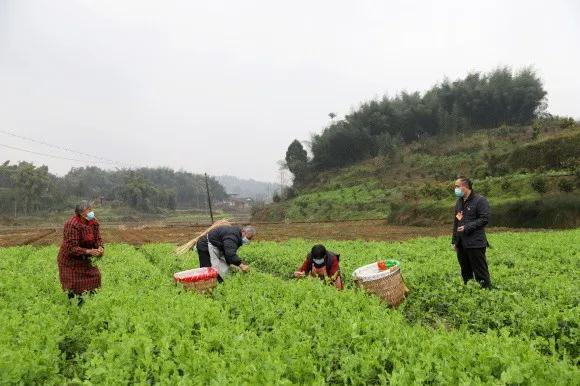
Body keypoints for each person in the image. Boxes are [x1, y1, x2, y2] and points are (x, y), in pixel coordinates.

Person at [57, 200, 104, 305]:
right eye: (89, 210)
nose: (92, 212)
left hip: (85, 259)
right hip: (70, 261)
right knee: (74, 285)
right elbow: (72, 248)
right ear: (82, 213)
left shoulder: (94, 222)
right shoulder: (72, 225)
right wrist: (89, 251)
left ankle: (90, 304)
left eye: (91, 209)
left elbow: (98, 239)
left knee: (95, 277)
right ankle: (74, 306)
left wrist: (100, 247)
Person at [452, 177, 492, 288]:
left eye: (457, 186)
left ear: (465, 187)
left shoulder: (480, 200)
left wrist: (467, 227)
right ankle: (470, 291)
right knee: (465, 272)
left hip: (475, 243)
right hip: (461, 243)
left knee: (480, 272)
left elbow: (484, 219)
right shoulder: (459, 202)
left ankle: (486, 292)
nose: (455, 189)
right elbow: (456, 222)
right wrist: (454, 241)